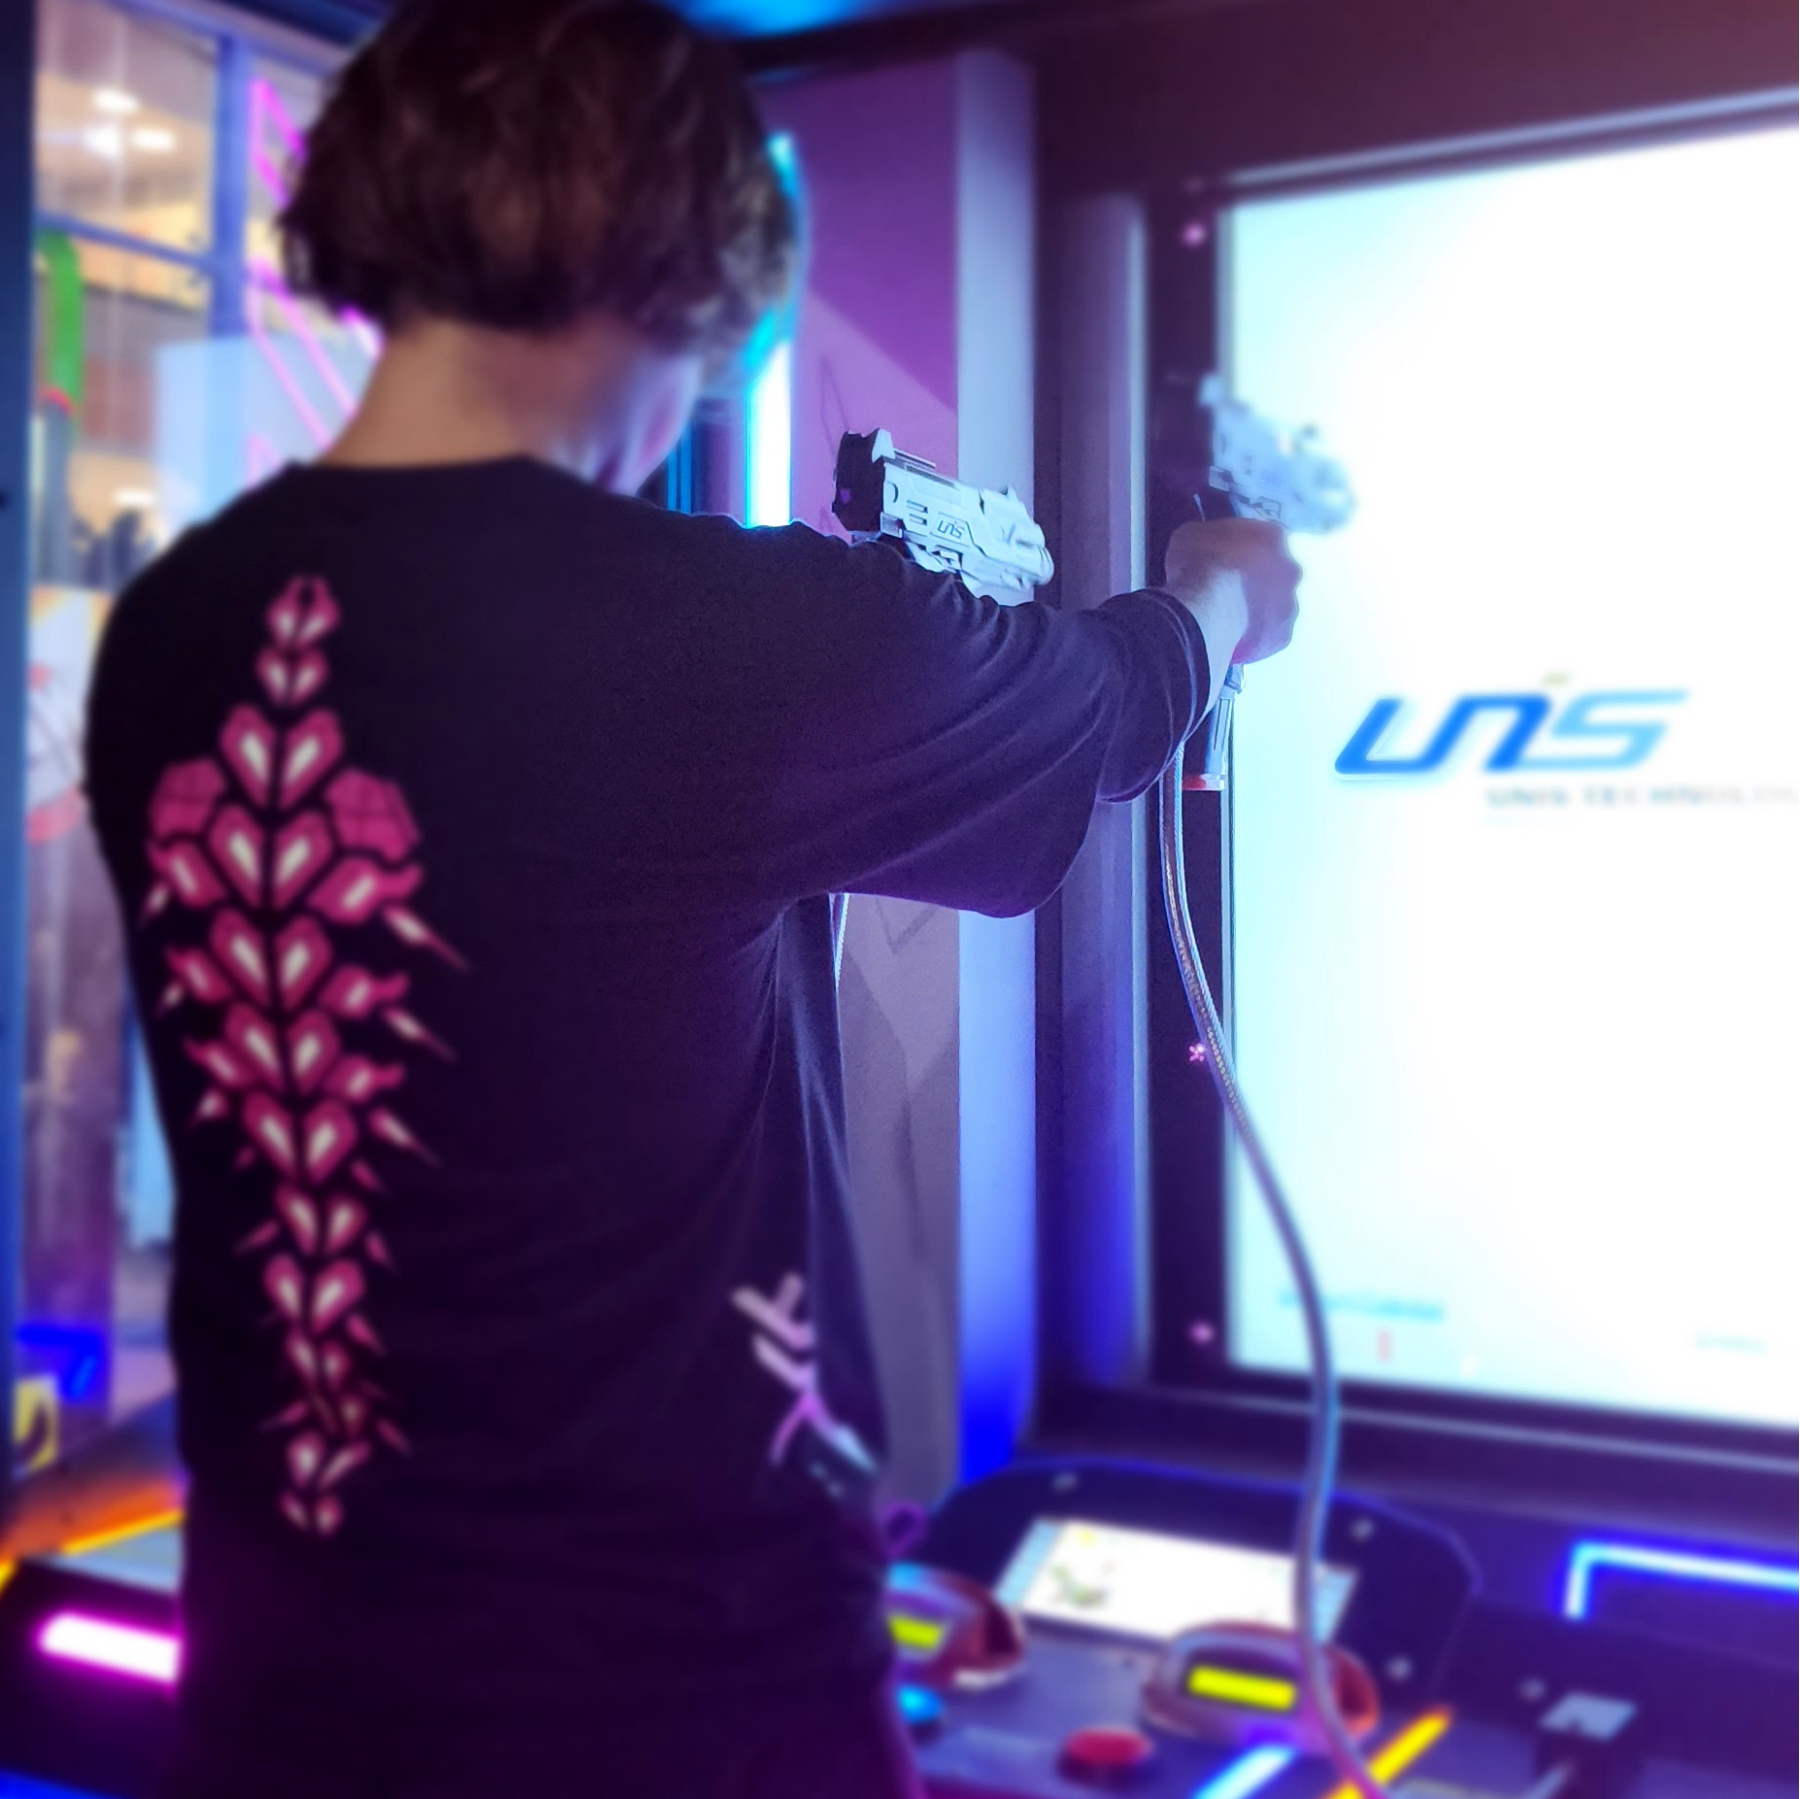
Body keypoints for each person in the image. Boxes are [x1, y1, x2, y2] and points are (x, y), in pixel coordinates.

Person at [83, 2, 1301, 1795]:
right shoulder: (726, 636)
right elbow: (1119, 703)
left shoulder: (178, 623)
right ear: (676, 260)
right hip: (674, 1688)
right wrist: (1223, 595)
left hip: (288, 1679)